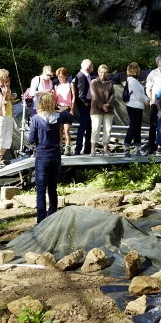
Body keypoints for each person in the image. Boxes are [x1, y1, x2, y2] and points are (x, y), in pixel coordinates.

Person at [27, 92, 73, 223]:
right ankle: (52, 217)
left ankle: (41, 220)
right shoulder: (59, 116)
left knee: (41, 189)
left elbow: (31, 139)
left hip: (42, 155)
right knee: (53, 187)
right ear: (53, 103)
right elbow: (70, 117)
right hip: (56, 155)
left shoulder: (36, 118)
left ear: (41, 103)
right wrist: (60, 108)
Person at [144, 54, 161, 154]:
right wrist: (150, 98)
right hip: (155, 103)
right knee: (153, 125)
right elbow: (148, 87)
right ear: (157, 62)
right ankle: (151, 146)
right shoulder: (152, 73)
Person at [123, 63, 149, 158]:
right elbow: (138, 95)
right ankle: (126, 146)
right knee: (133, 126)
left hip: (138, 106)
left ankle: (138, 148)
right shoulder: (132, 81)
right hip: (133, 106)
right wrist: (147, 101)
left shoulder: (135, 81)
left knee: (137, 127)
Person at [89, 64, 116, 156]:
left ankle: (105, 150)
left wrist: (107, 105)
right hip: (96, 109)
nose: (103, 74)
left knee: (107, 129)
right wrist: (102, 105)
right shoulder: (94, 82)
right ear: (98, 72)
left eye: (105, 72)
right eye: (101, 72)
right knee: (95, 128)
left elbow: (113, 95)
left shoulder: (110, 83)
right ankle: (93, 150)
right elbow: (94, 95)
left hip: (109, 109)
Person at [73, 60, 94, 155]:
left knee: (89, 126)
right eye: (92, 65)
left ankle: (87, 148)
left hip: (89, 103)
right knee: (83, 126)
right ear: (88, 66)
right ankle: (78, 148)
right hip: (84, 104)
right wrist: (85, 102)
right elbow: (80, 92)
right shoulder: (81, 76)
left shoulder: (87, 76)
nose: (93, 67)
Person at [54, 68, 75, 153]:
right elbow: (55, 99)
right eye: (58, 76)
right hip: (59, 108)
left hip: (68, 108)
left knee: (66, 130)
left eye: (61, 76)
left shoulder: (70, 85)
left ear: (65, 76)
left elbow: (74, 97)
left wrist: (72, 110)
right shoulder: (56, 86)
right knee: (59, 130)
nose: (59, 78)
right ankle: (60, 147)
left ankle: (67, 147)